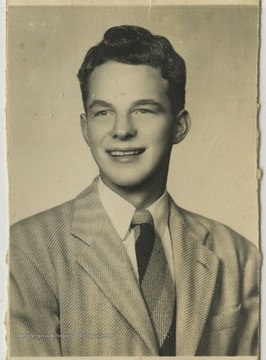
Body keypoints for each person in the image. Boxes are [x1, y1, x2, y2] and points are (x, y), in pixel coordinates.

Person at [10, 25, 260, 356]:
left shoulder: (239, 256)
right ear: (86, 128)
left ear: (179, 126)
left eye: (143, 110)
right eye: (103, 112)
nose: (122, 130)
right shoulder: (28, 251)